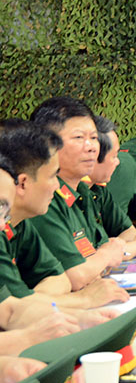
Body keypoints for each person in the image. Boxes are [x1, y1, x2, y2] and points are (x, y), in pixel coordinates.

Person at [0, 120, 127, 309]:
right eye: (52, 176)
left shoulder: (20, 223)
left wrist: (30, 301)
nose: (57, 185)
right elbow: (12, 310)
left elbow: (60, 280)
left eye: (93, 137)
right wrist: (84, 299)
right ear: (23, 183)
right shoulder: (12, 223)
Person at [28, 98, 126, 289]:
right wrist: (106, 256)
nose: (91, 147)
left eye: (94, 138)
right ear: (47, 144)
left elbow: (98, 254)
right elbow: (77, 276)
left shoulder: (82, 192)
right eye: (79, 138)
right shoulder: (42, 199)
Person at [87, 116, 136, 258]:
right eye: (114, 156)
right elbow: (83, 265)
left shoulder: (98, 191)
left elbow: (129, 232)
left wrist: (120, 249)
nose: (117, 163)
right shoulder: (64, 200)